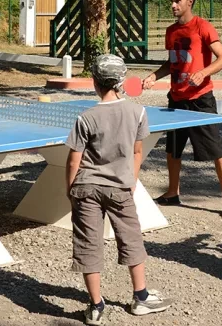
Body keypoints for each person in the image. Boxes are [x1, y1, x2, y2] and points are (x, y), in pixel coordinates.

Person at [66, 54, 172, 325]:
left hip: (86, 188)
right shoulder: (138, 113)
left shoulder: (85, 117)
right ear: (122, 81)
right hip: (121, 188)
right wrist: (132, 180)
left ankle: (96, 305)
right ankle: (141, 297)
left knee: (89, 245)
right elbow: (138, 152)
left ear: (96, 84)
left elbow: (74, 159)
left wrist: (70, 190)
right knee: (131, 239)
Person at [141, 0, 222, 219]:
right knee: (173, 149)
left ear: (189, 2)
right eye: (172, 1)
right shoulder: (171, 31)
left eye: (177, 1)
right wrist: (154, 75)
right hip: (176, 99)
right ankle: (172, 193)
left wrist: (203, 72)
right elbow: (172, 64)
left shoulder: (203, 27)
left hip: (200, 100)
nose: (173, 5)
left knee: (215, 150)